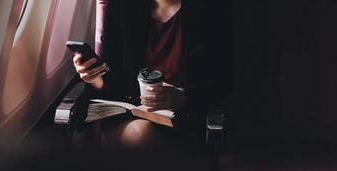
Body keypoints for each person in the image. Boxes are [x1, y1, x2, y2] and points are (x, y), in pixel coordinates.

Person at [72, 0, 231, 149]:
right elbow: (113, 83)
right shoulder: (122, 6)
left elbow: (222, 82)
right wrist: (93, 76)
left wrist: (184, 97)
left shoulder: (210, 9)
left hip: (185, 116)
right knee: (141, 134)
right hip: (129, 116)